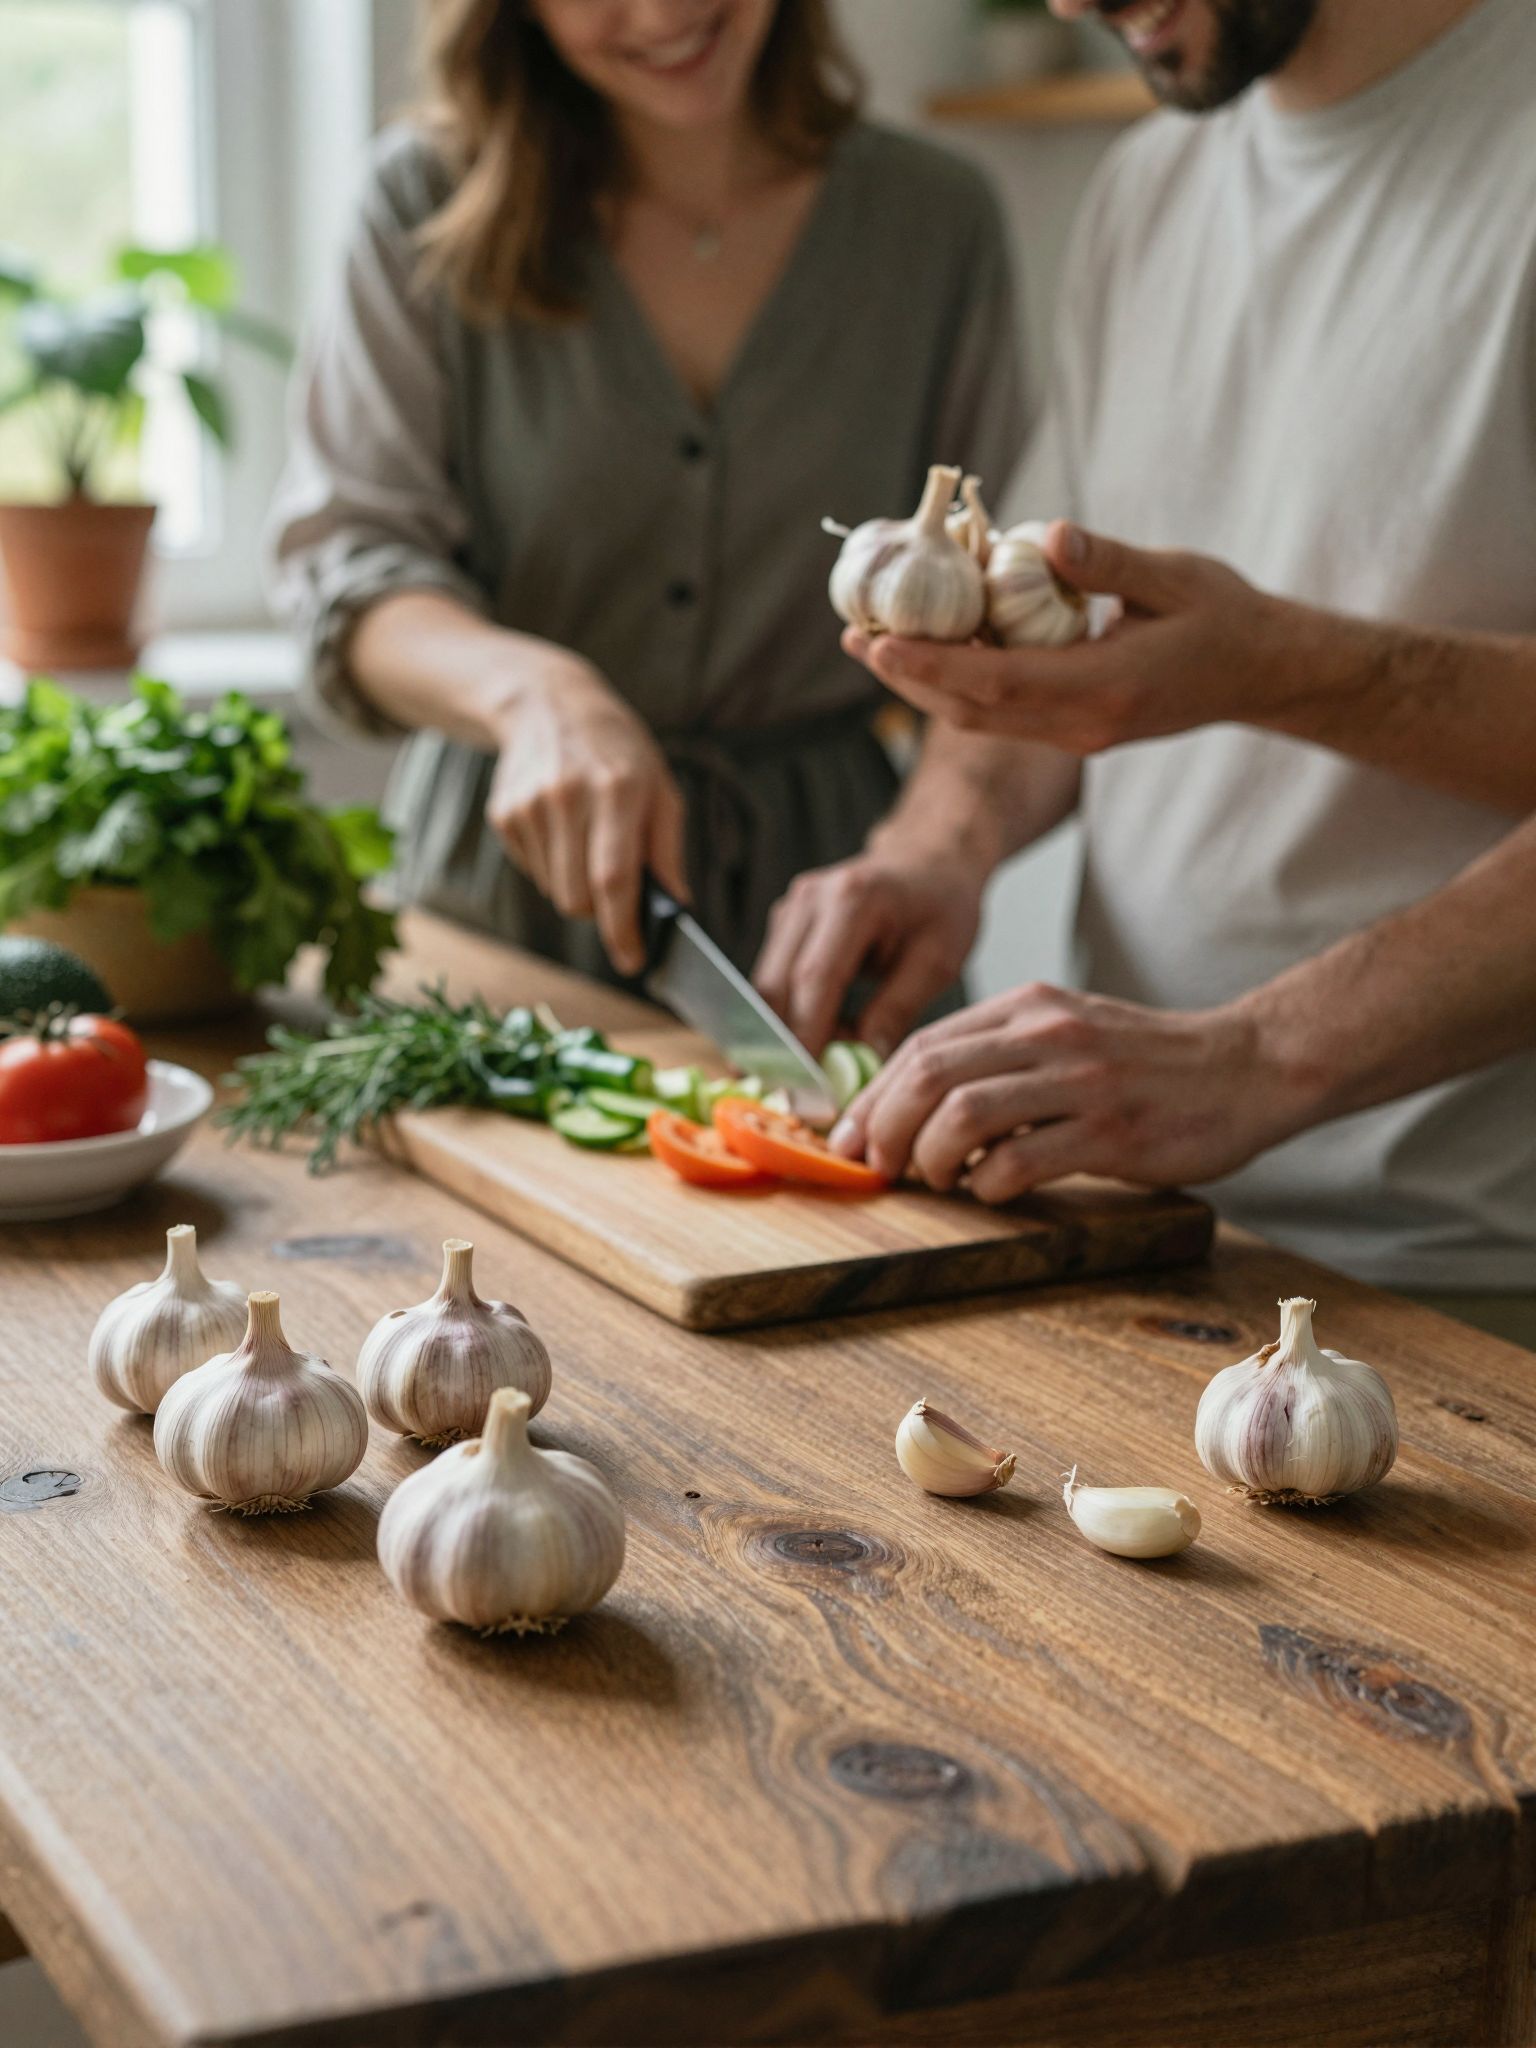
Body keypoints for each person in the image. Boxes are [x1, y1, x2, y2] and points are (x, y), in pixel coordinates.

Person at [760, 0, 1536, 1342]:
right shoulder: (1150, 188)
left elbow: (1226, 662)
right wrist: (940, 846)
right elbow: (1066, 639)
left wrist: (1254, 1055)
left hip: (1469, 1269)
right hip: (1129, 1227)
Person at [268, 0, 1022, 989]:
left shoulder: (936, 221)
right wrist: (537, 694)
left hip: (837, 925)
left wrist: (936, 849)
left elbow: (998, 616)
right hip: (504, 910)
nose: (665, 12)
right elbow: (352, 573)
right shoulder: (418, 202)